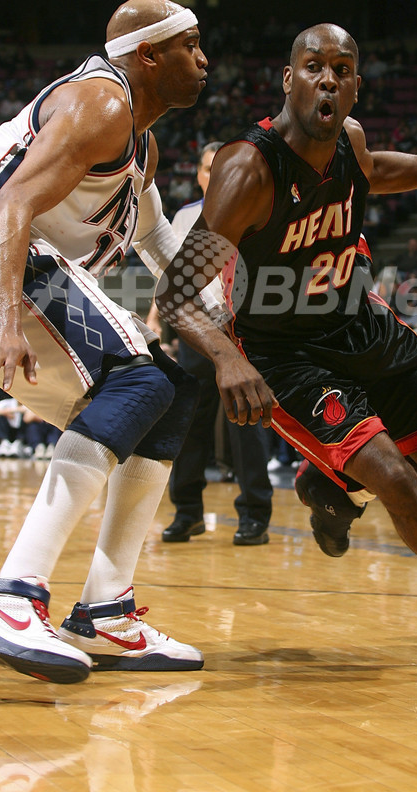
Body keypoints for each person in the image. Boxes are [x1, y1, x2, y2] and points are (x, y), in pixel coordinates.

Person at [156, 22, 417, 679]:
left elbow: (380, 170)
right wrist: (228, 358)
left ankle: (337, 485)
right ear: (288, 79)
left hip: (361, 326)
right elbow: (175, 291)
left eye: (341, 69)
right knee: (396, 478)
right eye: (313, 66)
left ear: (355, 86)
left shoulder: (350, 140)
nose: (327, 79)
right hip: (285, 354)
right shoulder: (247, 169)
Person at [0, 0, 212, 684]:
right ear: (149, 55)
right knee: (138, 379)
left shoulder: (138, 144)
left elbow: (157, 242)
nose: (205, 60)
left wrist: (231, 324)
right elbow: (10, 204)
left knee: (166, 397)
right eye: (191, 45)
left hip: (5, 260)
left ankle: (106, 611)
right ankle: (10, 597)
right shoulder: (102, 104)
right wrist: (4, 323)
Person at [148, 142, 273, 546]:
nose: (213, 174)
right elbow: (169, 274)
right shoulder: (184, 216)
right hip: (198, 328)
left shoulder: (255, 208)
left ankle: (255, 513)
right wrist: (156, 319)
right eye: (206, 168)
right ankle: (187, 512)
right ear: (200, 175)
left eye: (219, 168)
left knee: (247, 419)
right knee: (188, 420)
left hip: (243, 325)